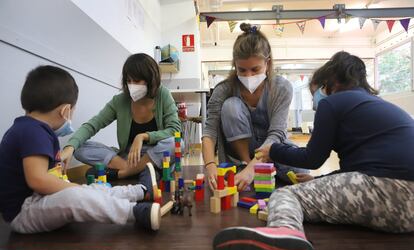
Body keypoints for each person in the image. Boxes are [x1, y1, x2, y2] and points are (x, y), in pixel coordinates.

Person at [212, 51, 414, 250]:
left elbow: (313, 157)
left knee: (286, 195)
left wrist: (274, 150)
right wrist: (319, 181)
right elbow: (356, 171)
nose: (316, 102)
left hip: (390, 192)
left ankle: (283, 232)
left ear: (330, 84)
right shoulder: (375, 104)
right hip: (405, 207)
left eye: (314, 93)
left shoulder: (334, 102)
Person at [0, 65, 161, 233]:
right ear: (65, 110)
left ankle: (141, 191)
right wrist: (76, 189)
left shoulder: (32, 129)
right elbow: (38, 180)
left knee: (93, 190)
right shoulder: (32, 131)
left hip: (38, 200)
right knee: (78, 195)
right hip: (25, 212)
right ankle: (132, 212)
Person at [202, 23, 306, 191]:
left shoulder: (281, 87)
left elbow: (277, 134)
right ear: (234, 64)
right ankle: (244, 166)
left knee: (301, 171)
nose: (248, 75)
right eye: (241, 70)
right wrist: (210, 165)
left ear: (268, 63)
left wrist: (254, 169)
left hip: (272, 151)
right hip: (237, 158)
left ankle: (251, 170)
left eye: (255, 69)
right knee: (231, 106)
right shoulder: (223, 89)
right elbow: (209, 132)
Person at [61, 53, 181, 182]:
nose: (131, 86)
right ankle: (144, 171)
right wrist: (70, 147)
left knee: (176, 143)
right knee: (80, 148)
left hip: (156, 154)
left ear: (150, 79)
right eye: (128, 81)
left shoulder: (163, 95)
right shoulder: (120, 100)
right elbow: (93, 125)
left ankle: (125, 173)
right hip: (128, 157)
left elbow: (174, 130)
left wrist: (143, 136)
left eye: (136, 81)